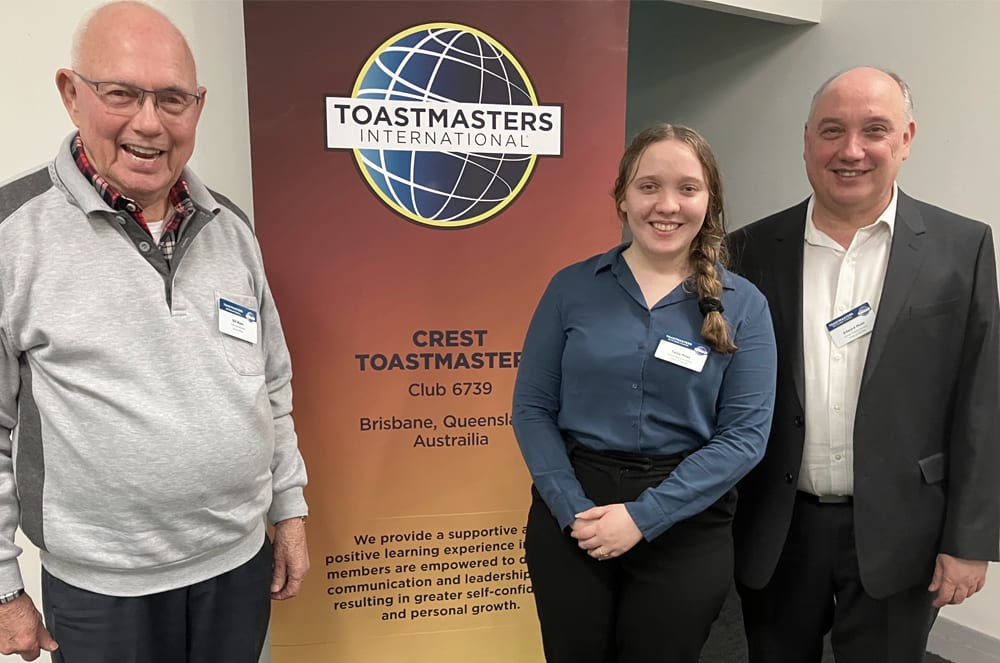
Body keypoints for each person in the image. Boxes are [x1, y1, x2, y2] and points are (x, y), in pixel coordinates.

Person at [0, 2, 309, 661]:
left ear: (198, 107)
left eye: (172, 98)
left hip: (236, 563)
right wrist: (3, 586)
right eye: (121, 93)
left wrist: (289, 507)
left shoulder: (230, 226)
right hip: (102, 591)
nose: (149, 122)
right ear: (71, 94)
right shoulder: (13, 233)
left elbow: (271, 384)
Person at [729, 66, 1000, 663]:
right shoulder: (746, 250)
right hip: (779, 525)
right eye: (832, 130)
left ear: (906, 138)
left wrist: (971, 540)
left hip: (905, 529)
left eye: (874, 130)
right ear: (806, 141)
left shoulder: (963, 248)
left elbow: (982, 402)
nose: (851, 150)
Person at [512, 123, 777, 663]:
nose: (667, 205)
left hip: (686, 519)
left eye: (687, 188)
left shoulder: (745, 305)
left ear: (710, 201)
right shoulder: (572, 288)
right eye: (649, 186)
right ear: (622, 197)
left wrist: (643, 517)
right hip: (574, 514)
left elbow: (745, 437)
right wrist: (571, 509)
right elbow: (532, 408)